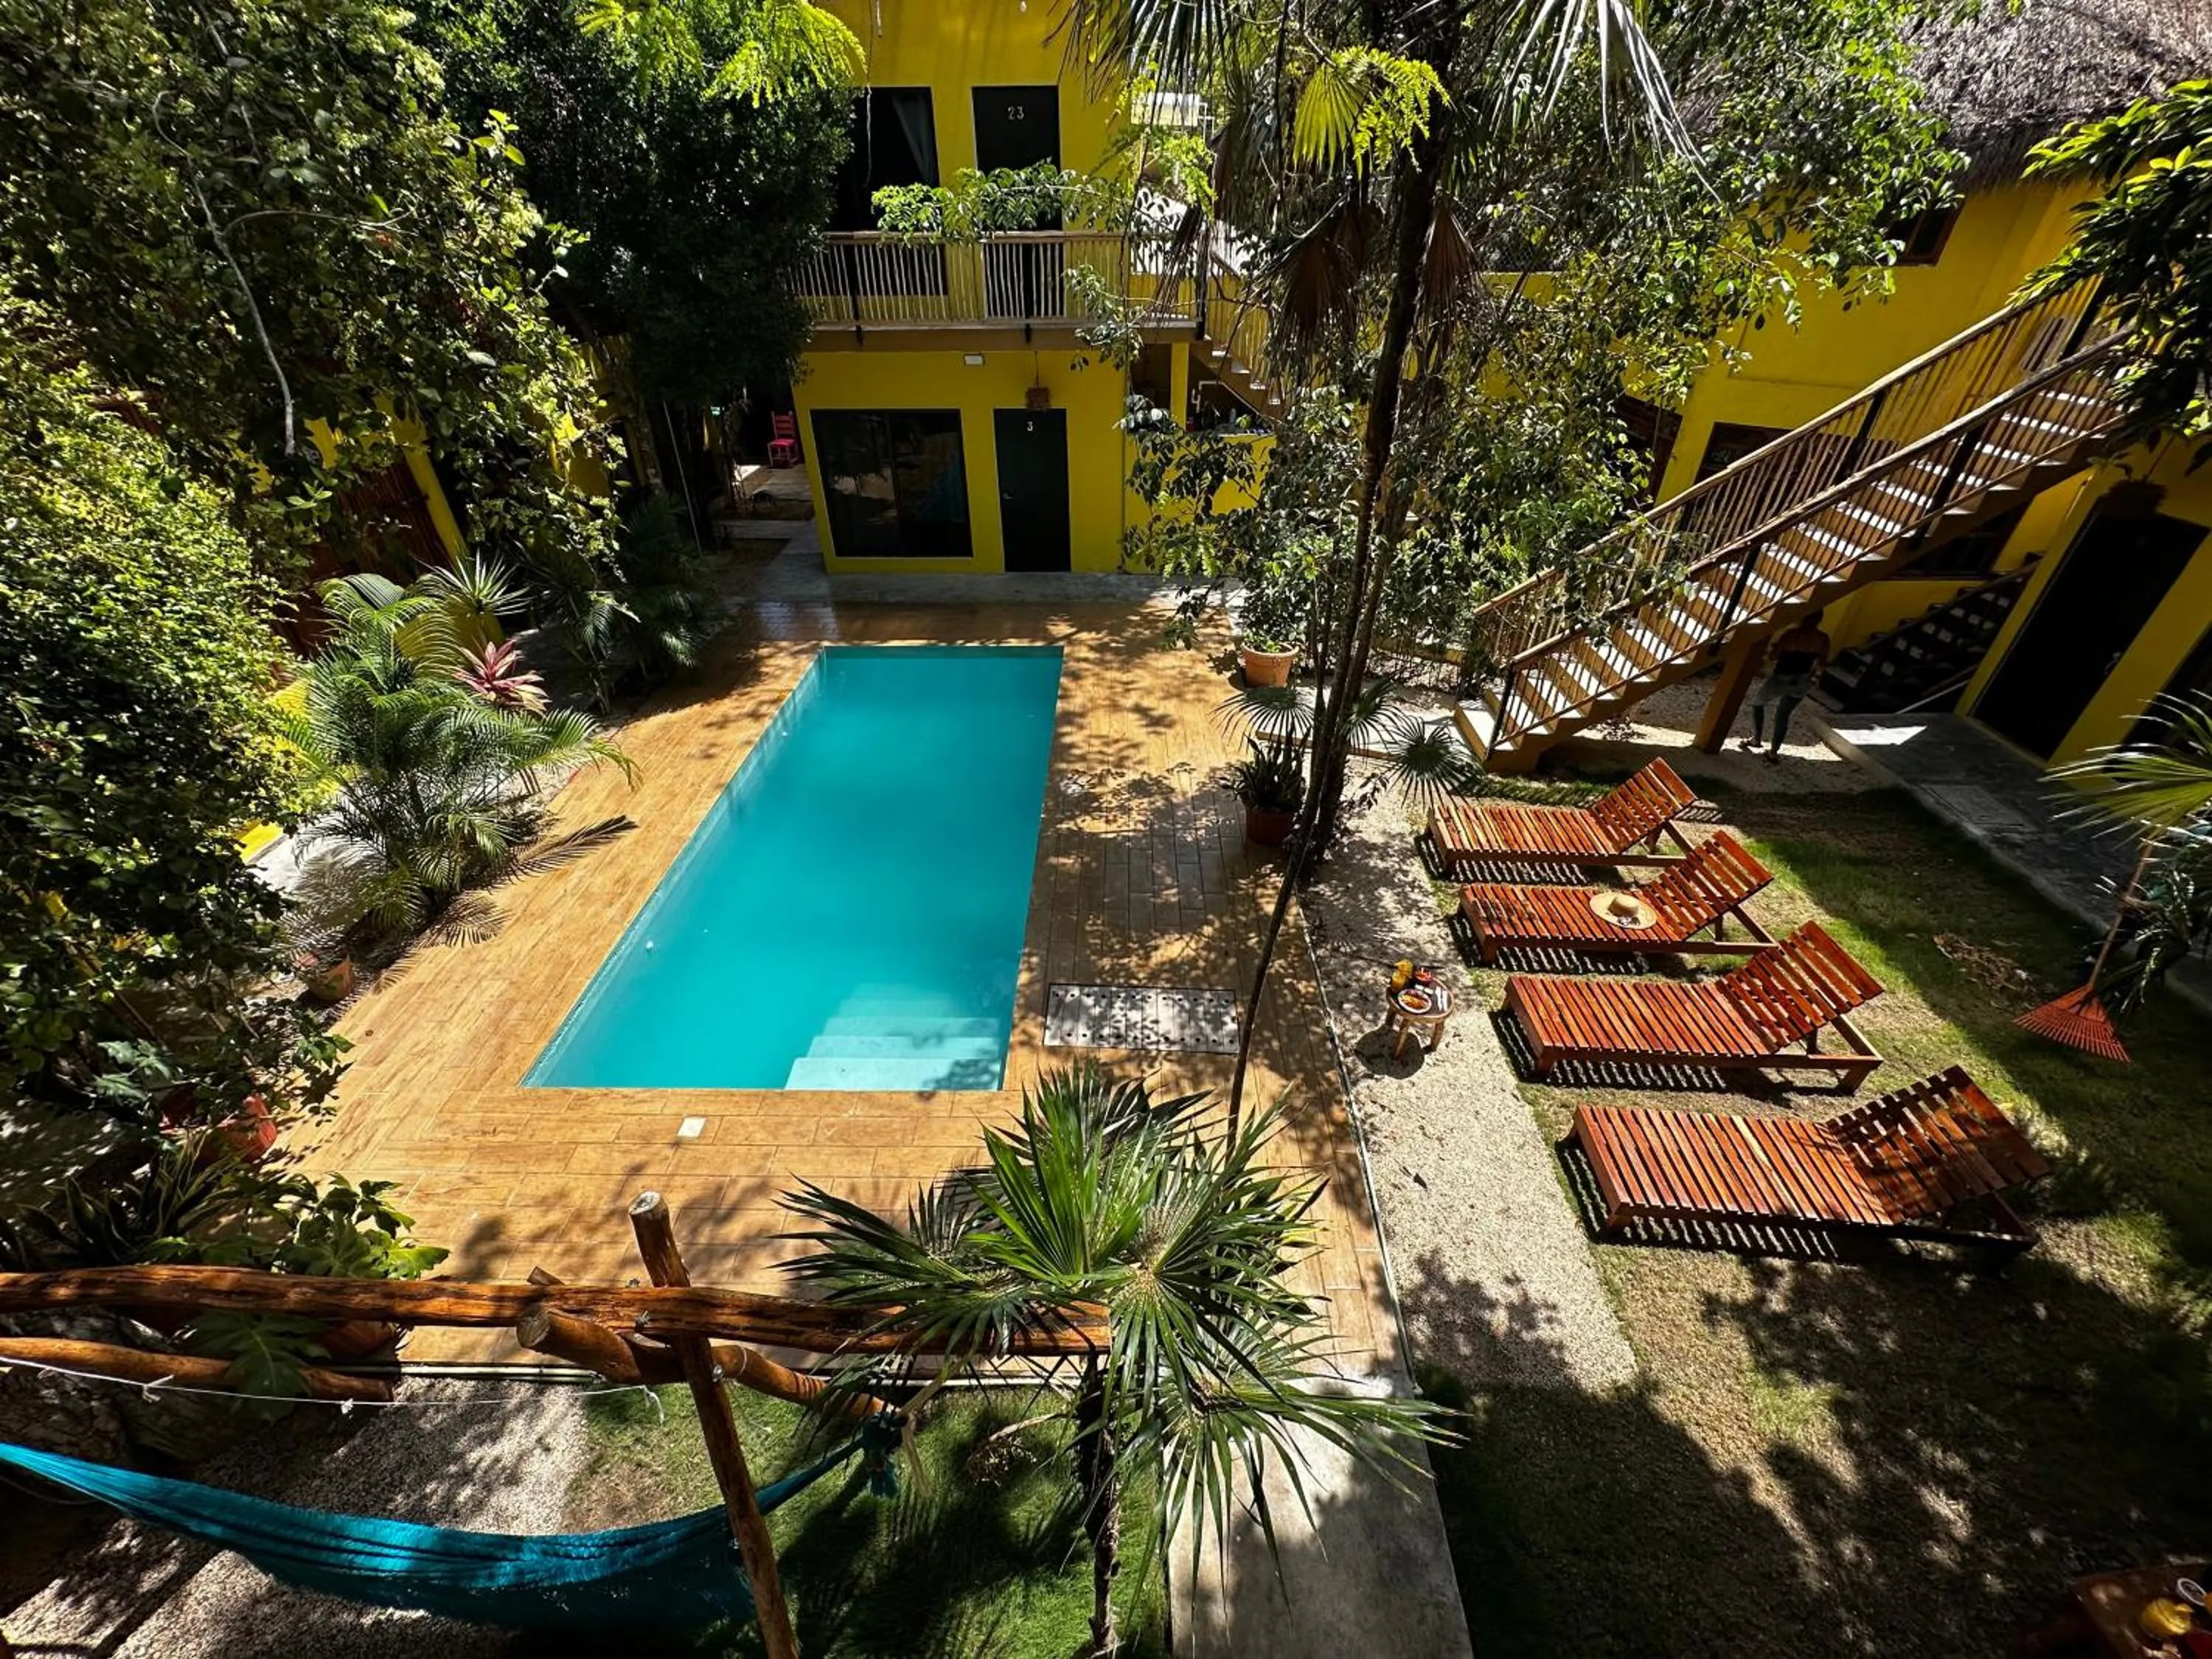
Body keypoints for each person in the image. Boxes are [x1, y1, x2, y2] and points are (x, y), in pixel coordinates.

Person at [1742, 612, 1832, 763]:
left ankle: (1756, 739)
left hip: (1781, 677)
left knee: (1758, 703)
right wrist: (1815, 679)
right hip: (1802, 680)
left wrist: (1772, 649)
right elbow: (1822, 662)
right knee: (1783, 716)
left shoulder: (1791, 635)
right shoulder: (1823, 639)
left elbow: (1773, 657)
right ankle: (1773, 752)